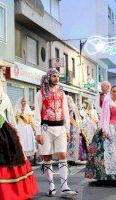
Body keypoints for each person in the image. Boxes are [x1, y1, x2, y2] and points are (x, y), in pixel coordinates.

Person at [34, 68, 77, 197]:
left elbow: (65, 112)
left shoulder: (62, 93)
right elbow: (37, 113)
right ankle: (51, 186)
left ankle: (64, 187)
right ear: (48, 77)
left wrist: (68, 129)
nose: (56, 78)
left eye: (58, 76)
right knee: (47, 157)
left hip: (61, 129)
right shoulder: (40, 93)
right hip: (46, 128)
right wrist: (38, 132)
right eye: (54, 76)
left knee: (63, 155)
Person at [67, 96, 81, 164]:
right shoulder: (73, 107)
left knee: (71, 143)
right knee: (71, 143)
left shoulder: (71, 108)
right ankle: (70, 158)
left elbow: (75, 118)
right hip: (72, 127)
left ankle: (71, 158)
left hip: (72, 127)